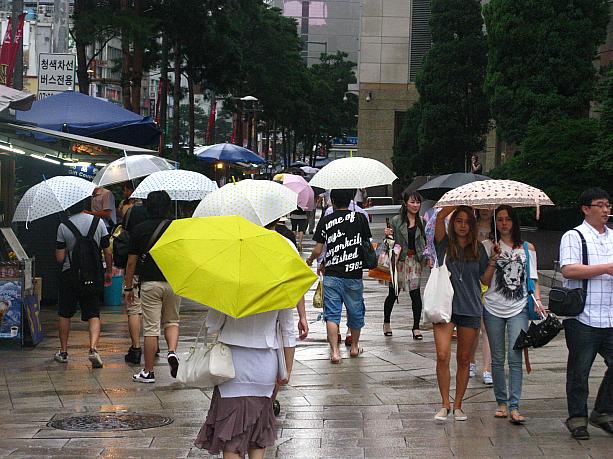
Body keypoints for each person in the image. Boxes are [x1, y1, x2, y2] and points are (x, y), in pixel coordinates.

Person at [194, 307, 296, 457]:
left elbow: (213, 325)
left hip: (232, 365)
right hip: (265, 366)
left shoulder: (227, 285)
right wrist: (287, 370)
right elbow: (288, 331)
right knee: (258, 435)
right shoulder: (279, 286)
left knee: (232, 439)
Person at [481, 205, 545, 424]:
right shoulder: (487, 246)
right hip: (492, 307)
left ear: (514, 222)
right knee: (497, 358)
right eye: (499, 219)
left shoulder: (527, 248)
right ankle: (501, 403)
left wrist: (538, 301)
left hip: (518, 308)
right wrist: (492, 259)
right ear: (494, 223)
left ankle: (515, 406)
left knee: (514, 356)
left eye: (508, 219)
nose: (504, 223)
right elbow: (484, 281)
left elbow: (533, 279)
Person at [559, 188, 613, 440]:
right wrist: (607, 268)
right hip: (583, 316)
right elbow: (569, 270)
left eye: (608, 205)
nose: (605, 210)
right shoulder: (574, 236)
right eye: (600, 205)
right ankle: (577, 419)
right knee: (579, 371)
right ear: (585, 208)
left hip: (611, 315)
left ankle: (602, 411)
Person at [433, 206, 492, 421]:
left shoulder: (479, 248)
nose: (462, 226)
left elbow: (485, 280)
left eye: (467, 222)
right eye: (458, 221)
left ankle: (458, 404)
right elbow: (439, 218)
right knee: (442, 355)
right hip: (444, 306)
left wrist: (494, 260)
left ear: (472, 225)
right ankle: (444, 403)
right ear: (453, 223)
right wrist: (456, 201)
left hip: (470, 306)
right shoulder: (444, 244)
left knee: (464, 358)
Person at [306, 189, 372, 363]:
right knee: (355, 311)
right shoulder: (360, 218)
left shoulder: (326, 220)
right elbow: (366, 243)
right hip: (354, 273)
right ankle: (355, 348)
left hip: (332, 274)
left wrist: (311, 259)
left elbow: (319, 249)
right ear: (351, 200)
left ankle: (335, 352)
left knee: (332, 314)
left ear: (332, 201)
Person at [124, 191, 180, 383]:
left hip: (149, 283)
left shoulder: (139, 229)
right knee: (172, 321)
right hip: (173, 281)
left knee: (150, 329)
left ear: (148, 206)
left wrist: (128, 288)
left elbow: (131, 263)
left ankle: (148, 371)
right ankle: (172, 352)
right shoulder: (176, 227)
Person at [54, 197, 112, 368]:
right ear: (85, 205)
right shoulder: (98, 222)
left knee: (65, 313)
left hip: (70, 275)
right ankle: (93, 348)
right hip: (93, 275)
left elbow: (60, 257)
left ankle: (63, 352)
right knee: (93, 313)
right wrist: (108, 272)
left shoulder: (63, 226)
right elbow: (107, 252)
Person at [382, 191, 426, 339]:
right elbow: (388, 243)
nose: (415, 205)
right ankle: (386, 322)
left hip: (414, 261)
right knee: (393, 293)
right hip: (399, 261)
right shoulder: (396, 221)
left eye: (418, 202)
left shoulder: (422, 221)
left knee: (415, 294)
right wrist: (387, 234)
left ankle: (416, 327)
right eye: (412, 202)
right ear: (406, 203)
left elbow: (426, 241)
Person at [469, 209, 494, 385]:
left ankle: (487, 368)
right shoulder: (470, 225)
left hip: (492, 278)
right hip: (473, 278)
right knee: (473, 327)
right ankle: (470, 361)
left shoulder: (498, 227)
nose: (486, 210)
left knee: (487, 327)